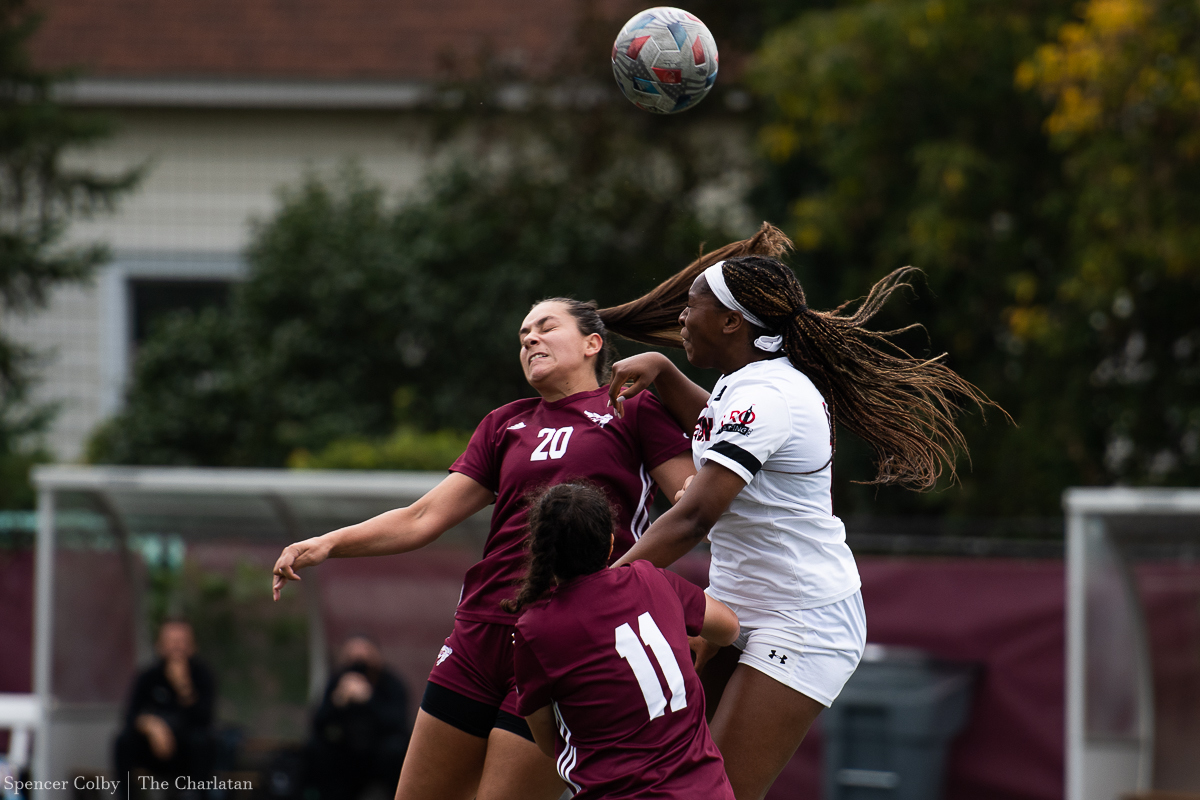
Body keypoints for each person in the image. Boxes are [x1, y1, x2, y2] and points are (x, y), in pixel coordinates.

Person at [273, 260, 820, 800]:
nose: (530, 338)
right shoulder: (504, 423)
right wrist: (328, 542)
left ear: (592, 344)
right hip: (478, 632)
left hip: (566, 639)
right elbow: (422, 518)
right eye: (522, 335)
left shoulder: (634, 411)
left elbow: (691, 504)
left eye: (546, 326)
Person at [600, 248, 998, 800]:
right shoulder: (747, 383)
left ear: (731, 321)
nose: (682, 319)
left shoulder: (769, 395)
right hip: (741, 607)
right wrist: (666, 374)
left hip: (801, 621)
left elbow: (693, 518)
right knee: (671, 780)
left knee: (717, 794)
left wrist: (604, 588)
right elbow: (717, 429)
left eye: (691, 307)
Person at [508, 482, 740, 800]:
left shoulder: (535, 630)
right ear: (611, 543)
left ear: (541, 552)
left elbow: (550, 741)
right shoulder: (650, 577)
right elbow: (729, 628)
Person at [114, 619, 216, 791]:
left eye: (182, 641)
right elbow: (130, 715)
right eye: (171, 641)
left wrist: (183, 687)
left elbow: (204, 718)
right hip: (152, 749)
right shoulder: (148, 676)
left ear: (193, 646)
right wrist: (151, 726)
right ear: (159, 646)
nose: (177, 647)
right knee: (122, 742)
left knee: (203, 743)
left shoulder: (202, 675)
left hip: (186, 751)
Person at [305, 635, 410, 800]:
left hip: (380, 751)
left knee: (396, 750)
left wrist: (369, 699)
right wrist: (337, 701)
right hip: (346, 752)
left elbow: (398, 723)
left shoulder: (391, 683)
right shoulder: (337, 681)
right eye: (352, 658)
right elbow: (318, 723)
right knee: (316, 749)